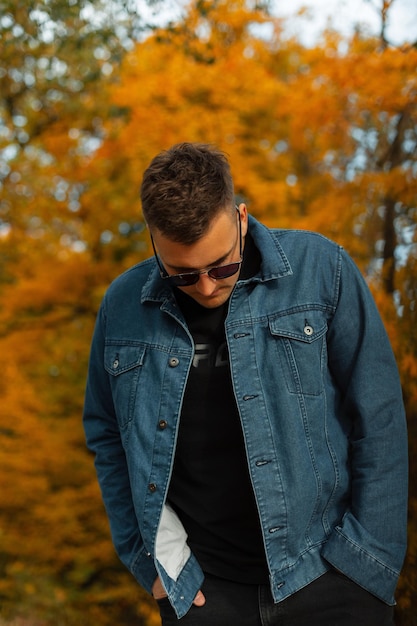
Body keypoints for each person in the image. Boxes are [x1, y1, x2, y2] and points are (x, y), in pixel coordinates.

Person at [83, 142, 408, 625]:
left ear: (240, 217)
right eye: (183, 276)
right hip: (204, 593)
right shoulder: (124, 306)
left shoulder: (323, 271)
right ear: (154, 240)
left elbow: (378, 418)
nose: (208, 287)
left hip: (329, 576)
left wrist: (368, 561)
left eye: (223, 267)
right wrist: (148, 559)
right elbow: (107, 434)